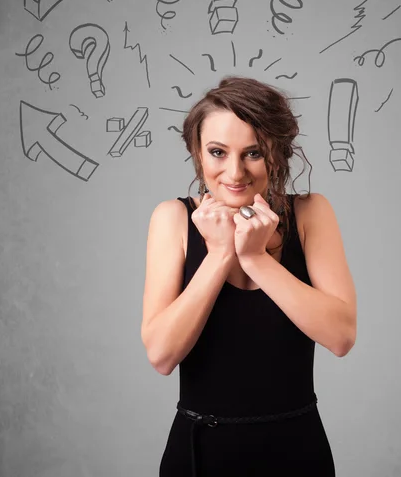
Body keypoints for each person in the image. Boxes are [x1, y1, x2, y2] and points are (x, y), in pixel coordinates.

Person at [141, 76, 357, 477]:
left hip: (297, 454)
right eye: (218, 152)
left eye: (253, 152)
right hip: (200, 456)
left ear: (278, 152)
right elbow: (161, 354)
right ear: (198, 153)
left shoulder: (311, 214)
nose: (234, 172)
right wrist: (220, 254)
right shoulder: (172, 219)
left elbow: (341, 337)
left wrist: (256, 258)